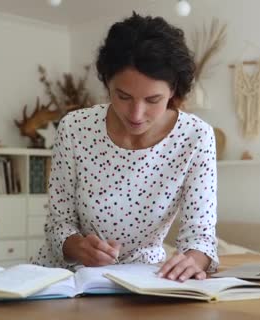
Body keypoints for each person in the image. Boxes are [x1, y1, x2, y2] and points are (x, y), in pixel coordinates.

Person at [33, 13, 218, 282]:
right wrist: (77, 247)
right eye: (123, 96)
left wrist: (191, 261)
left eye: (153, 99)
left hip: (142, 280)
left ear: (173, 91)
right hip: (65, 279)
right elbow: (58, 223)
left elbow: (200, 235)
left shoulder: (196, 137)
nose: (135, 113)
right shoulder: (75, 128)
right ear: (107, 82)